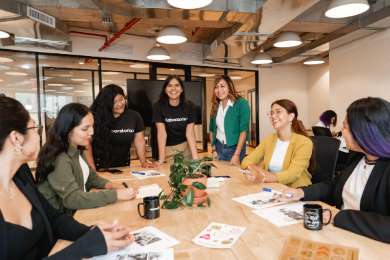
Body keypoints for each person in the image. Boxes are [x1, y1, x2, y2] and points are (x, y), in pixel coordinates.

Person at [0, 96, 133, 259]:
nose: (39, 134)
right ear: (16, 138)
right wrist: (88, 245)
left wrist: (88, 231)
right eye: (34, 128)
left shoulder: (21, 174)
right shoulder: (59, 158)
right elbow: (71, 200)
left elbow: (53, 218)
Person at [280, 97, 390, 243]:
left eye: (345, 127)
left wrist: (338, 216)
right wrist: (302, 192)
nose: (342, 132)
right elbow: (334, 187)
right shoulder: (357, 156)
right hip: (339, 234)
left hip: (369, 244)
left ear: (365, 131)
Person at [36, 103, 135, 215]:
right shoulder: (60, 158)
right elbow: (72, 199)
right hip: (62, 221)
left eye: (92, 127)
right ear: (68, 129)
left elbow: (90, 178)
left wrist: (109, 185)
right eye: (85, 129)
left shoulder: (77, 149)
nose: (92, 132)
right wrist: (115, 195)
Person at [241, 99, 313, 188]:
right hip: (273, 188)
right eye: (271, 113)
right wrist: (260, 171)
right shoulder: (269, 139)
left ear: (291, 117)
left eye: (278, 112)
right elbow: (246, 161)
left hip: (296, 191)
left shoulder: (304, 143)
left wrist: (263, 176)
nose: (273, 116)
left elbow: (292, 174)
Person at [85, 84, 154, 171]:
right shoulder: (95, 117)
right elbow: (87, 143)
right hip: (99, 167)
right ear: (107, 103)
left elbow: (139, 141)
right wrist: (91, 167)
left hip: (123, 167)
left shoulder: (134, 116)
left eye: (121, 99)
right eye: (114, 102)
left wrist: (143, 162)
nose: (120, 104)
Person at [152, 75, 198, 163]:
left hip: (186, 149)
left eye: (177, 85)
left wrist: (196, 158)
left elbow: (190, 133)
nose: (173, 88)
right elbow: (162, 134)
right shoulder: (158, 106)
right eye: (169, 85)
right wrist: (161, 159)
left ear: (181, 89)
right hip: (168, 150)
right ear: (165, 90)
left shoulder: (190, 106)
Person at [209, 75, 250, 166]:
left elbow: (243, 131)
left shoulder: (241, 104)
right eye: (216, 87)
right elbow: (211, 130)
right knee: (219, 176)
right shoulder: (215, 105)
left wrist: (236, 154)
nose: (219, 90)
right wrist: (213, 150)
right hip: (219, 147)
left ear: (229, 87)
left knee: (234, 177)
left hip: (235, 148)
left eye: (222, 86)